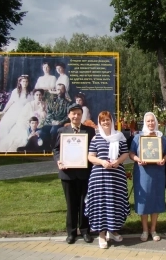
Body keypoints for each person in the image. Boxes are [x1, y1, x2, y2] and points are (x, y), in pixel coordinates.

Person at [85, 111, 130, 249]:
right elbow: (90, 156)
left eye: (108, 120)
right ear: (99, 122)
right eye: (102, 120)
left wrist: (118, 161)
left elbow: (125, 153)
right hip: (100, 177)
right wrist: (101, 162)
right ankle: (102, 234)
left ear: (112, 121)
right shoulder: (96, 138)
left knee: (115, 203)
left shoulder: (119, 136)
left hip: (116, 176)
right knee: (101, 204)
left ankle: (113, 230)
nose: (105, 122)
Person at [53, 103, 96, 245]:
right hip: (67, 174)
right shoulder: (61, 131)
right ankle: (71, 233)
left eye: (79, 113)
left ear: (81, 115)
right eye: (73, 113)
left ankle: (85, 231)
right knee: (71, 204)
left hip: (85, 173)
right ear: (69, 115)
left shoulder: (89, 131)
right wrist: (59, 160)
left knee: (85, 204)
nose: (76, 116)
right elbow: (56, 149)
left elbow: (93, 150)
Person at [129, 112, 166, 242]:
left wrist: (163, 159)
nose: (151, 123)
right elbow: (131, 153)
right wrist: (137, 159)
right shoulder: (138, 138)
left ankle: (153, 229)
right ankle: (145, 230)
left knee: (156, 199)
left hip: (157, 172)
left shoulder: (161, 138)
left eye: (153, 121)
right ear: (145, 123)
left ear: (156, 122)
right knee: (145, 200)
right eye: (148, 121)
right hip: (142, 173)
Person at [0, 75, 33, 141]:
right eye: (23, 81)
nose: (25, 83)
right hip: (15, 110)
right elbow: (10, 102)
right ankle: (4, 139)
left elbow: (32, 103)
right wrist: (4, 111)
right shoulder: (15, 91)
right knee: (6, 123)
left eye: (26, 81)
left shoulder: (30, 92)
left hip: (25, 111)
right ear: (20, 82)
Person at [41, 83, 71, 148]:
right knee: (42, 130)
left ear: (64, 90)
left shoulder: (68, 103)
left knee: (54, 130)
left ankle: (54, 148)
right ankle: (45, 148)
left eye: (61, 89)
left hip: (61, 123)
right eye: (58, 89)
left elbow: (68, 116)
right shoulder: (51, 101)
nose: (59, 91)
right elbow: (49, 113)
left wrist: (60, 122)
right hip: (51, 122)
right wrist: (52, 121)